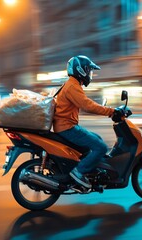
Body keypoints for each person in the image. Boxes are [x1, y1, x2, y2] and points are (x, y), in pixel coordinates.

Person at [53, 55, 115, 189]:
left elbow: (85, 103)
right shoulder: (72, 86)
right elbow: (88, 106)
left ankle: (89, 170)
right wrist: (111, 111)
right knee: (101, 147)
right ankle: (78, 172)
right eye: (89, 71)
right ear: (80, 70)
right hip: (67, 128)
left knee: (98, 139)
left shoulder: (71, 84)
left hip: (66, 126)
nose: (90, 75)